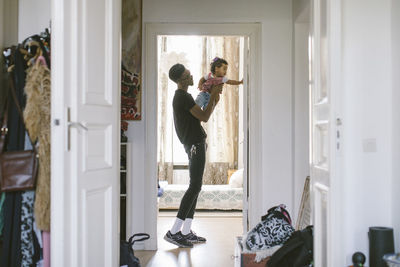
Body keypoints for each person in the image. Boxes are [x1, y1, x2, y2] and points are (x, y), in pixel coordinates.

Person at [164, 63, 223, 248]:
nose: (192, 76)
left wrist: (214, 100)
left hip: (195, 144)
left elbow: (200, 116)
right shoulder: (183, 97)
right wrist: (213, 96)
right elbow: (204, 117)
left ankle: (186, 231)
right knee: (194, 186)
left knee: (196, 187)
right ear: (181, 79)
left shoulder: (183, 97)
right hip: (195, 145)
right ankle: (173, 232)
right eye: (188, 74)